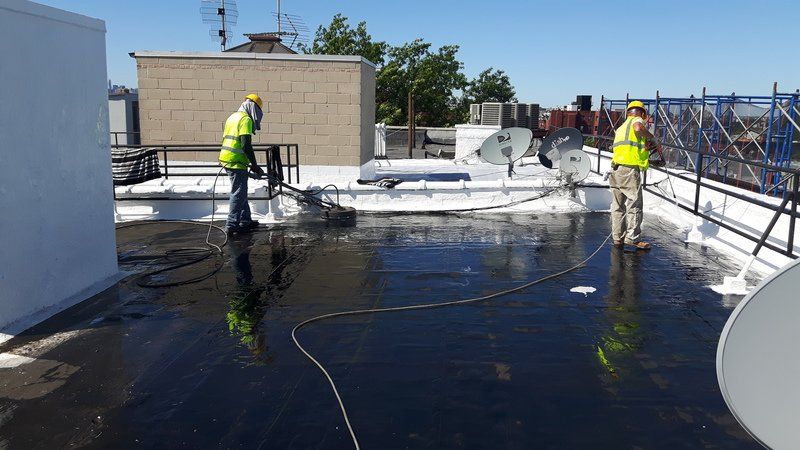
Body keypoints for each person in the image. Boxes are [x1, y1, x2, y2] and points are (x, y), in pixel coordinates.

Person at [609, 100, 661, 250]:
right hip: (630, 170)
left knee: (617, 207)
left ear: (628, 112)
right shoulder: (636, 121)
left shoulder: (621, 128)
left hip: (615, 169)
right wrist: (652, 138)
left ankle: (617, 238)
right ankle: (632, 238)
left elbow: (629, 146)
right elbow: (638, 128)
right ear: (642, 113)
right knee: (634, 205)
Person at [219, 94, 265, 235]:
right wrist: (255, 165)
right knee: (238, 193)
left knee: (241, 190)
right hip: (236, 161)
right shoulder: (245, 120)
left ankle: (245, 220)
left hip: (227, 158)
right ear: (253, 108)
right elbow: (246, 145)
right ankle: (232, 224)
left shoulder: (232, 117)